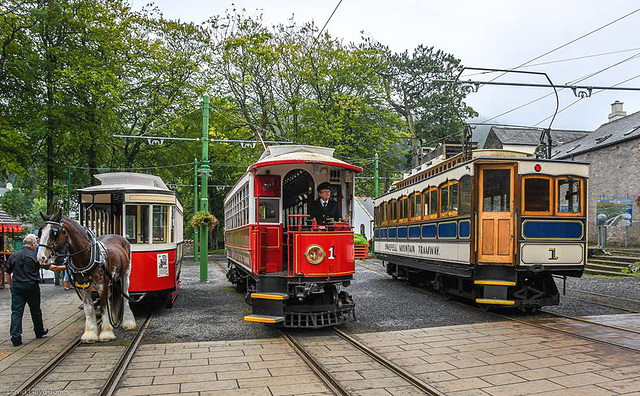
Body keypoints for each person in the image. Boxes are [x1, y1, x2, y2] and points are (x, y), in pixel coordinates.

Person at [6, 234, 66, 346]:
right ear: (33, 244)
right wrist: (67, 267)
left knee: (16, 312)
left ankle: (15, 337)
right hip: (32, 286)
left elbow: (7, 273)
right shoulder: (36, 257)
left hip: (17, 286)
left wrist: (10, 285)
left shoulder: (14, 255)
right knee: (35, 310)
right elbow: (53, 268)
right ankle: (39, 331)